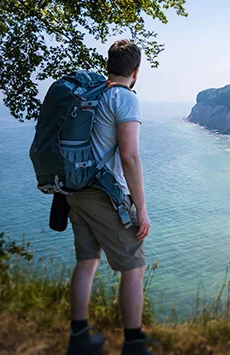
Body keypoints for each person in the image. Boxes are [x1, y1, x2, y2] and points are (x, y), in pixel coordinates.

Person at [66, 39, 153, 355]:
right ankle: (134, 344)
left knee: (86, 261)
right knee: (134, 266)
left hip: (74, 190)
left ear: (108, 65)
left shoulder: (93, 93)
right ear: (136, 70)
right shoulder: (124, 98)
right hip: (103, 193)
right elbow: (129, 157)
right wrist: (141, 210)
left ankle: (79, 338)